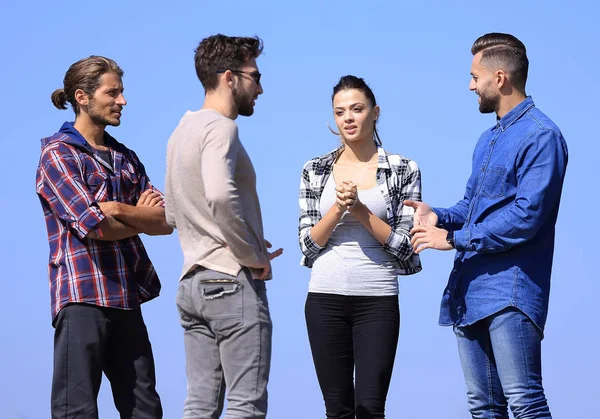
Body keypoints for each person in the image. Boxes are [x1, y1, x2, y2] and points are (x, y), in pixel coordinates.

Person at [406, 33, 568, 418]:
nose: (469, 85)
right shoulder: (487, 139)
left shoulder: (542, 136)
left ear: (499, 79)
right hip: (469, 294)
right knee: (483, 409)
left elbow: (527, 217)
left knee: (525, 401)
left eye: (474, 76)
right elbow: (473, 206)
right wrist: (437, 216)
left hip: (510, 294)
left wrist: (454, 239)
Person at [36, 55, 172, 418]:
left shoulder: (126, 158)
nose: (122, 101)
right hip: (82, 298)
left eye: (122, 92)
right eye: (113, 93)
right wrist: (136, 217)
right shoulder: (58, 155)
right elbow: (93, 225)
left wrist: (119, 209)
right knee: (76, 410)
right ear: (82, 97)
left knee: (146, 409)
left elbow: (168, 220)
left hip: (127, 297)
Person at [165, 34, 282, 419]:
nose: (260, 87)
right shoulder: (222, 128)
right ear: (230, 77)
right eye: (255, 76)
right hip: (231, 282)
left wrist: (242, 231)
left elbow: (173, 213)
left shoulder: (180, 132)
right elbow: (218, 195)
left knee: (199, 405)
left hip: (191, 283)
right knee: (245, 406)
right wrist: (252, 253)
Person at [298, 75, 422, 419]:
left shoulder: (403, 169)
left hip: (378, 300)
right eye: (340, 112)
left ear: (375, 112)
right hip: (324, 298)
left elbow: (406, 247)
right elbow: (307, 245)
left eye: (357, 109)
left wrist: (360, 210)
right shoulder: (315, 170)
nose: (348, 118)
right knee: (337, 410)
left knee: (370, 409)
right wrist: (338, 208)